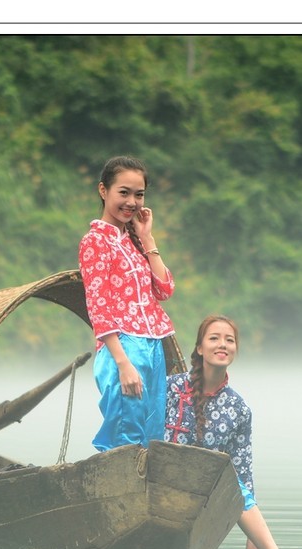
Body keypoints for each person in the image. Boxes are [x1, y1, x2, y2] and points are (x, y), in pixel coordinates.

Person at [165, 315, 301, 549]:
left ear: (235, 350)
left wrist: (253, 538)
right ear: (199, 348)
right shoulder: (171, 388)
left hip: (200, 494)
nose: (222, 345)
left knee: (230, 477)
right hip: (161, 481)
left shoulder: (238, 409)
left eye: (229, 340)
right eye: (214, 338)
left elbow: (242, 469)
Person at [79, 155, 176, 452]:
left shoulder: (133, 241)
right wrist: (123, 364)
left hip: (153, 345)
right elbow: (99, 306)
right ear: (103, 190)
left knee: (153, 438)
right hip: (122, 346)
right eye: (124, 192)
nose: (131, 201)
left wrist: (147, 240)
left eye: (139, 194)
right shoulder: (95, 242)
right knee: (125, 439)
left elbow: (165, 288)